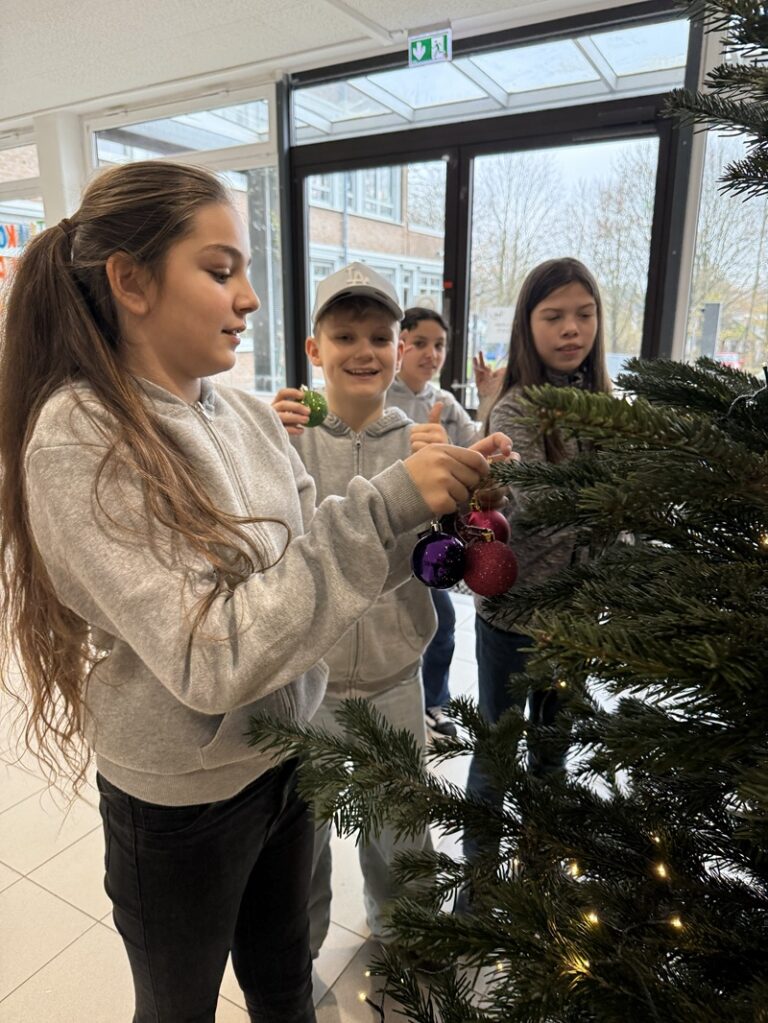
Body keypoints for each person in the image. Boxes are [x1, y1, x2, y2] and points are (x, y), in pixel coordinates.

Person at [0, 162, 511, 1023]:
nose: (247, 299)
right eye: (219, 269)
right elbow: (215, 654)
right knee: (178, 1006)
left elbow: (315, 569)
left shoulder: (238, 415)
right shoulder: (80, 436)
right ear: (130, 280)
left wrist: (429, 525)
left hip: (287, 753)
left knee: (283, 981)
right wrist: (389, 498)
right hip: (181, 803)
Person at [271, 268, 511, 957]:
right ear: (315, 350)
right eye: (344, 335)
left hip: (392, 676)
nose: (364, 350)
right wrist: (261, 440)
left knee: (403, 826)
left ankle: (406, 938)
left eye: (379, 335)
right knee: (301, 835)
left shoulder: (420, 438)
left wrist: (471, 483)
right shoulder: (286, 433)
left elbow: (462, 550)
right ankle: (296, 956)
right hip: (303, 679)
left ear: (399, 345)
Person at [464, 257, 613, 867]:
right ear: (529, 326)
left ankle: (542, 870)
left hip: (575, 622)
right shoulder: (516, 408)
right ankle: (479, 889)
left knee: (554, 751)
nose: (571, 329)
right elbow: (536, 504)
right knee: (497, 750)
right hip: (513, 618)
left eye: (584, 314)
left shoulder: (606, 407)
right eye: (553, 316)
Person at [386, 307, 482, 739]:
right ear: (402, 347)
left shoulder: (443, 404)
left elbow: (477, 449)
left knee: (441, 627)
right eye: (421, 344)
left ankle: (433, 703)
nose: (432, 354)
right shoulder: (378, 397)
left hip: (428, 548)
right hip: (384, 541)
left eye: (439, 345)